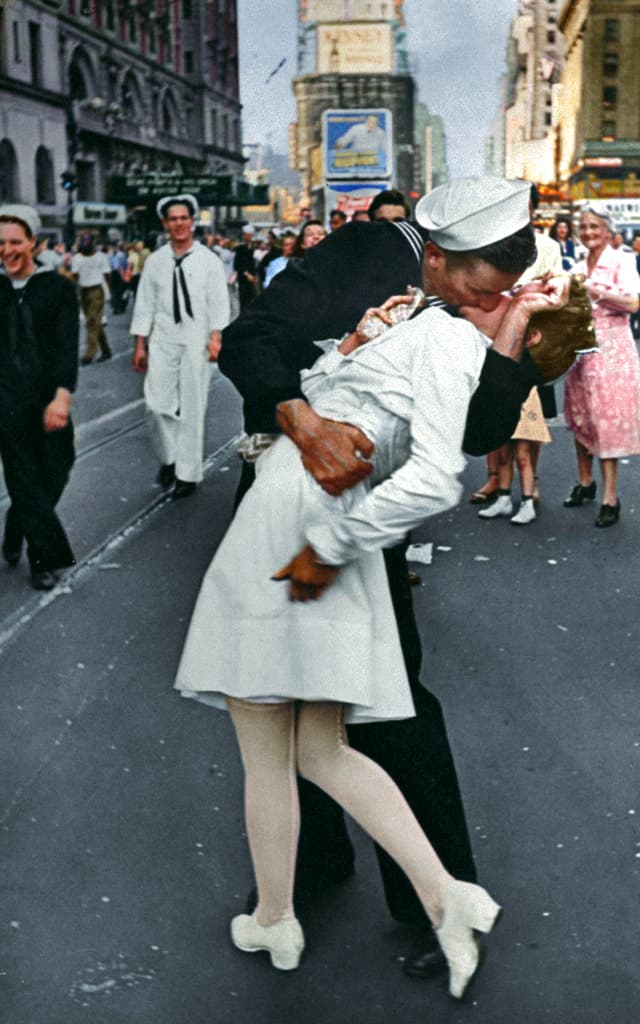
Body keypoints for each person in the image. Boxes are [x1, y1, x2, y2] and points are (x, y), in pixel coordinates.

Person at [176, 179, 555, 998]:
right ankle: (309, 874)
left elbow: (480, 431)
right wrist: (301, 420)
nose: (485, 297)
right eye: (479, 284)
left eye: (502, 287)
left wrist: (514, 337)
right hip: (297, 485)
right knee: (293, 707)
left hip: (362, 519)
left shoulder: (482, 305)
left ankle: (426, 901)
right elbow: (250, 341)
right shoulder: (361, 254)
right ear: (442, 255)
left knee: (386, 704)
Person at [130, 194, 230, 499]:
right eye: (172, 219)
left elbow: (218, 302)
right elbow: (145, 304)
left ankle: (187, 473)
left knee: (192, 405)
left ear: (192, 221)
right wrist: (139, 345)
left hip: (196, 339)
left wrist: (216, 338)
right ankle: (170, 457)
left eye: (183, 218)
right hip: (162, 338)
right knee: (156, 405)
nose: (178, 224)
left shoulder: (209, 261)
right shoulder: (156, 262)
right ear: (165, 224)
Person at [0, 204, 78, 590]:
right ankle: (42, 559)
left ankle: (17, 523)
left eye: (16, 242)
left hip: (48, 396)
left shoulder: (58, 289)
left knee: (57, 468)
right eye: (0, 243)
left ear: (33, 242)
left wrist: (62, 396)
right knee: (24, 475)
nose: (7, 250)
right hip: (5, 401)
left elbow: (67, 347)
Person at [562, 202, 640, 528]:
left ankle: (611, 496)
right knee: (581, 415)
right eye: (583, 227)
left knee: (606, 419)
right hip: (581, 348)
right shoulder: (578, 264)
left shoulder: (622, 261)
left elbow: (634, 303)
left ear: (608, 231)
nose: (588, 233)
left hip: (613, 349)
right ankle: (586, 483)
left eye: (594, 227)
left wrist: (596, 291)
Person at [477, 219, 563, 524]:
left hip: (525, 385)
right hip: (501, 382)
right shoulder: (497, 300)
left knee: (524, 449)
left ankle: (527, 499)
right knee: (502, 450)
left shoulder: (537, 304)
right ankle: (502, 497)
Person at [69, 234, 112, 365]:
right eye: (84, 242)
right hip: (83, 291)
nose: (85, 244)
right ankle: (106, 350)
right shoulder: (76, 258)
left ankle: (89, 353)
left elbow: (107, 275)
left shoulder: (101, 257)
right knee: (94, 322)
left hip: (96, 291)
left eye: (88, 242)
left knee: (92, 322)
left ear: (93, 243)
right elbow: (74, 277)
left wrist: (109, 292)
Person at [233, 223, 258, 311]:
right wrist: (247, 274)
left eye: (250, 235)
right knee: (244, 302)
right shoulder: (239, 249)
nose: (249, 236)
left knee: (252, 301)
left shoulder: (254, 248)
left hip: (253, 279)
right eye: (247, 234)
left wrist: (254, 276)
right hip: (243, 279)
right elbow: (237, 265)